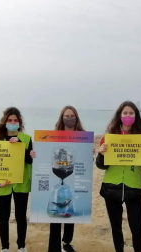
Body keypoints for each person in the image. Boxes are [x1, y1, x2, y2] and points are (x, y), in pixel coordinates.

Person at [96, 101, 141, 252]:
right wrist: (101, 153)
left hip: (134, 188)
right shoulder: (109, 137)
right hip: (111, 188)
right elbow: (101, 165)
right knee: (116, 228)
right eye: (125, 113)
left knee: (137, 229)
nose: (128, 116)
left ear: (136, 116)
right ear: (120, 115)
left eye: (131, 113)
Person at [0, 107, 35, 252]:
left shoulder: (26, 138)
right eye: (10, 120)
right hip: (3, 183)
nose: (13, 122)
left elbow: (29, 160)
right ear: (4, 121)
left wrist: (22, 147)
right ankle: (5, 247)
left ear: (20, 122)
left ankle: (21, 245)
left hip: (21, 183)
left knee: (21, 216)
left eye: (15, 120)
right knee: (3, 216)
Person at [48, 106, 91, 252]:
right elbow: (46, 151)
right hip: (58, 170)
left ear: (76, 118)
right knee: (56, 205)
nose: (69, 118)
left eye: (72, 115)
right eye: (66, 115)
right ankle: (53, 245)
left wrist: (90, 151)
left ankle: (66, 241)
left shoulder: (82, 136)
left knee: (70, 204)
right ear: (62, 118)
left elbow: (87, 159)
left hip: (73, 172)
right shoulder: (55, 135)